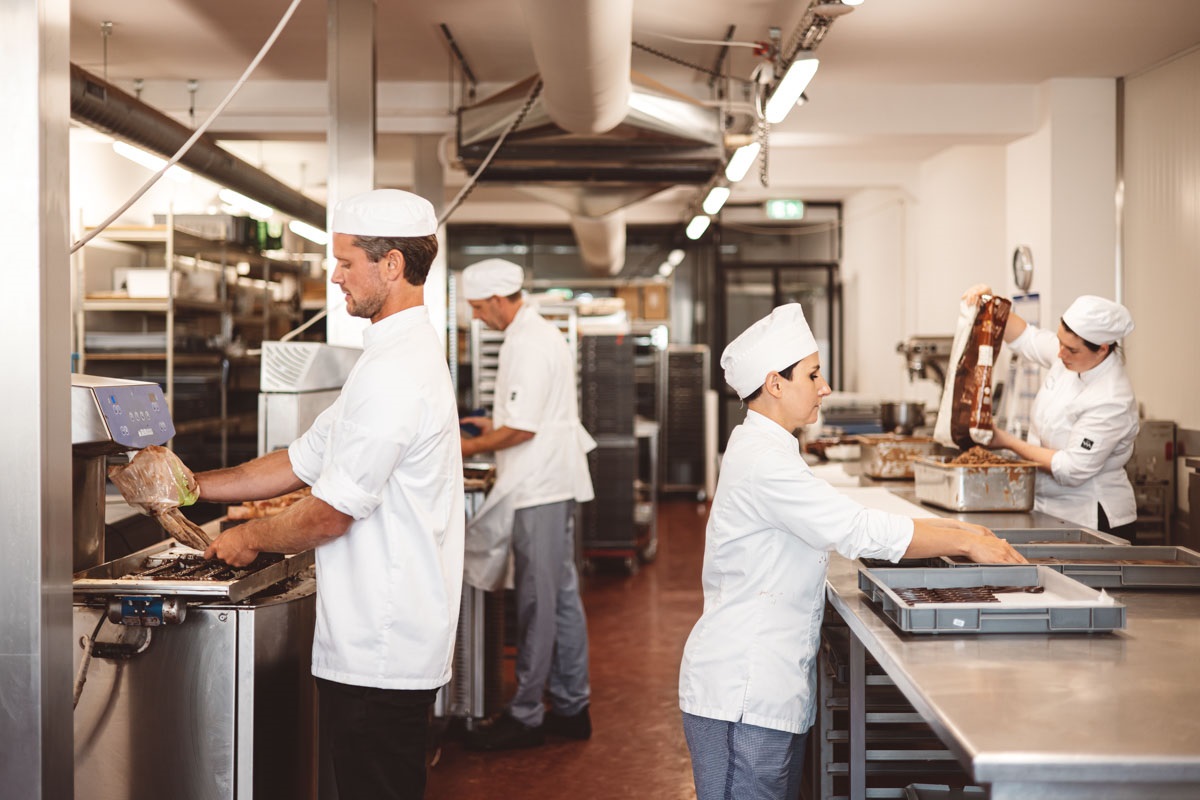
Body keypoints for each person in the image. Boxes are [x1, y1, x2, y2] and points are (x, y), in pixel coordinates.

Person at [678, 303, 1025, 800]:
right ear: (775, 384)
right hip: (744, 695)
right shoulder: (763, 461)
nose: (826, 387)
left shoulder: (772, 449)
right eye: (814, 374)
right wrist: (964, 537)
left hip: (762, 690)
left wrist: (954, 528)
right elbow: (855, 528)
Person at [199, 189, 464, 800]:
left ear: (391, 265)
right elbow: (297, 461)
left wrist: (246, 537)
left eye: (346, 262)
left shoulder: (397, 373)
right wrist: (191, 490)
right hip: (375, 638)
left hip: (382, 643)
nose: (335, 276)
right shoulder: (388, 360)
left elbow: (328, 516)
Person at [457, 258, 597, 751]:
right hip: (548, 482)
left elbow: (522, 429)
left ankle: (527, 715)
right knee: (558, 599)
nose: (476, 318)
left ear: (498, 300)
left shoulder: (531, 343)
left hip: (539, 486)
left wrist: (461, 447)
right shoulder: (529, 334)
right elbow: (519, 416)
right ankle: (572, 705)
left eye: (477, 308)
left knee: (539, 601)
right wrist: (485, 425)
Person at [962, 286, 1138, 538]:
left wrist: (1007, 442)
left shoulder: (1111, 399)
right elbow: (1024, 337)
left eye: (1071, 350)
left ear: (1102, 348)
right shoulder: (1069, 355)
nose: (1060, 353)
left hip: (1091, 519)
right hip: (1048, 508)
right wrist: (989, 302)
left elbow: (1071, 469)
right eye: (1060, 342)